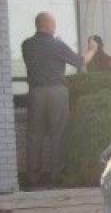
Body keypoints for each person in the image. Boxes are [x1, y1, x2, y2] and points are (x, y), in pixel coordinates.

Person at [21, 11, 98, 188]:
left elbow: (42, 58)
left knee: (34, 136)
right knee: (58, 134)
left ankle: (33, 178)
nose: (55, 27)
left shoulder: (26, 45)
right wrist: (92, 49)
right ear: (48, 25)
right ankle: (56, 177)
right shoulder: (57, 45)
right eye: (53, 24)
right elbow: (80, 62)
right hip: (56, 92)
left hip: (35, 93)